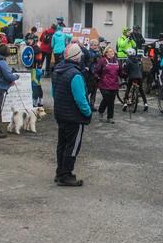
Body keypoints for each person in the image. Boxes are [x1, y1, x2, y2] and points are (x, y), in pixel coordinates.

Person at [52, 42, 92, 187]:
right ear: (77, 58)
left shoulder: (57, 70)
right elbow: (80, 99)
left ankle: (60, 171)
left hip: (60, 113)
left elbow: (53, 93)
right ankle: (66, 175)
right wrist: (88, 113)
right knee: (73, 145)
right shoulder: (75, 74)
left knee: (62, 144)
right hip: (74, 116)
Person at [94, 46, 121, 123]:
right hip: (104, 84)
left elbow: (120, 72)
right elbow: (96, 71)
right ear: (106, 53)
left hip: (114, 84)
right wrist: (98, 77)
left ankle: (110, 117)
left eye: (112, 51)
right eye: (110, 51)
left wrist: (125, 73)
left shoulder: (117, 61)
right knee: (107, 99)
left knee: (111, 101)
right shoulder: (102, 61)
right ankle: (101, 111)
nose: (112, 53)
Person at [82, 39, 101, 110]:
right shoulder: (89, 53)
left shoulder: (98, 52)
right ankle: (86, 104)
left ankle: (92, 105)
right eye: (94, 45)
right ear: (91, 45)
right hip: (90, 74)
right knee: (89, 90)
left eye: (96, 45)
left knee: (94, 91)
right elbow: (89, 62)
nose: (95, 46)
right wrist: (96, 57)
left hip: (96, 73)